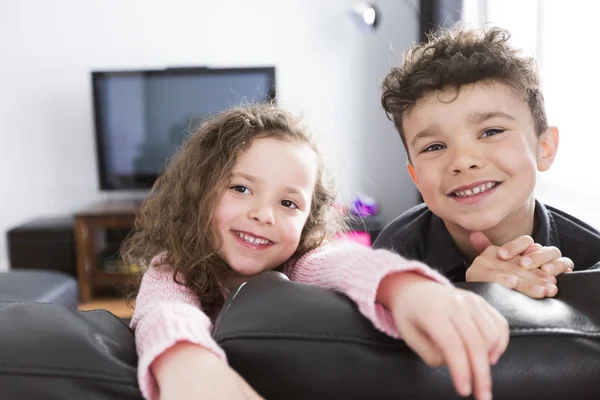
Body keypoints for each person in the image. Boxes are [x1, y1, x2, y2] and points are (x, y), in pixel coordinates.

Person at [125, 104, 508, 400]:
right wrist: (187, 363)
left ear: (308, 220)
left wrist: (408, 288)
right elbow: (163, 312)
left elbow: (343, 262)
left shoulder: (304, 260)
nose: (263, 214)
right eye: (241, 189)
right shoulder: (171, 268)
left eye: (289, 204)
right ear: (197, 194)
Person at [375, 25, 600, 299]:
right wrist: (476, 296)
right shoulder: (392, 260)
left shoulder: (591, 260)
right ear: (416, 177)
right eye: (434, 146)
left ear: (545, 148)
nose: (463, 161)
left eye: (491, 132)